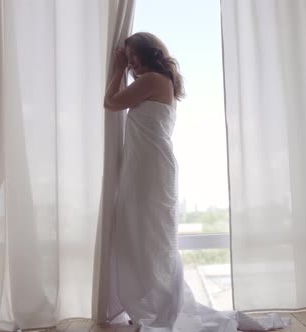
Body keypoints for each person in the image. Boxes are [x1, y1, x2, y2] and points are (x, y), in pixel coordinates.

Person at [104, 32, 287, 332]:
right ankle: (150, 302)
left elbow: (111, 103)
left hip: (150, 170)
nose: (132, 64)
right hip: (149, 168)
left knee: (150, 238)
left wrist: (115, 69)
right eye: (129, 59)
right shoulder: (159, 81)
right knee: (145, 237)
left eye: (134, 57)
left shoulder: (151, 80)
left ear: (149, 55)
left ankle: (157, 305)